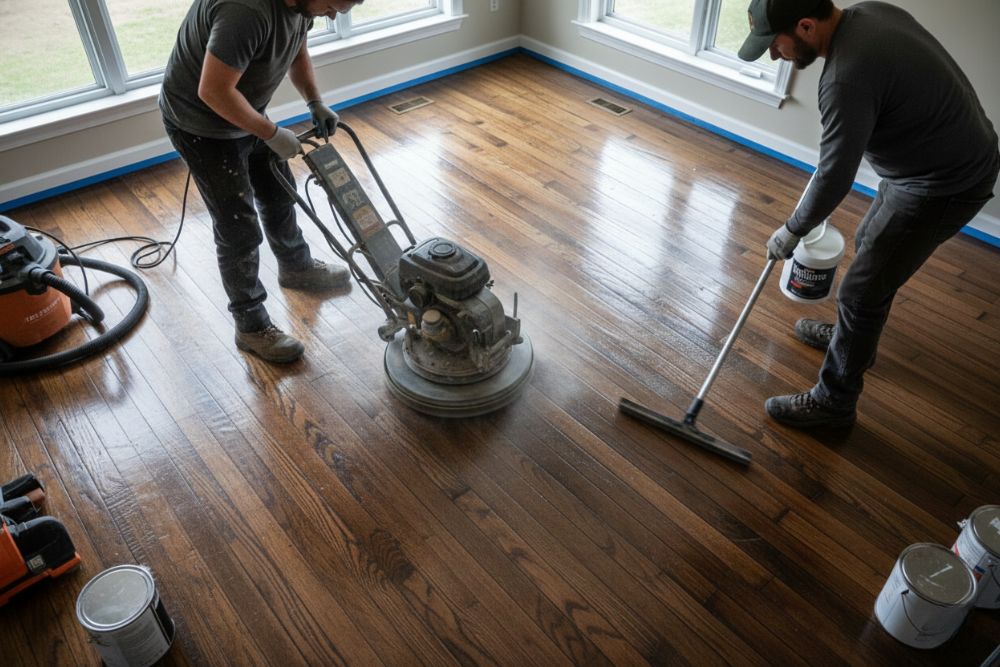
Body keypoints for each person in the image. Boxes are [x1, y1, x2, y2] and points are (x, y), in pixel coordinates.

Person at [738, 0, 999, 428]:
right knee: (869, 246)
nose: (772, 55)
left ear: (806, 26)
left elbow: (835, 175)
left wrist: (792, 230)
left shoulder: (846, 76)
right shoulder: (869, 13)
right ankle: (852, 339)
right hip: (932, 160)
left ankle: (834, 404)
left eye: (774, 43)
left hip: (944, 182)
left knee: (861, 291)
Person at [159, 0, 365, 363]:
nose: (334, 15)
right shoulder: (245, 11)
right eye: (333, 5)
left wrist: (314, 101)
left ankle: (296, 267)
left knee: (279, 193)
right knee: (237, 226)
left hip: (244, 109)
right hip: (201, 124)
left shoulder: (302, 6)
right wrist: (269, 132)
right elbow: (213, 91)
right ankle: (251, 325)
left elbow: (296, 49)